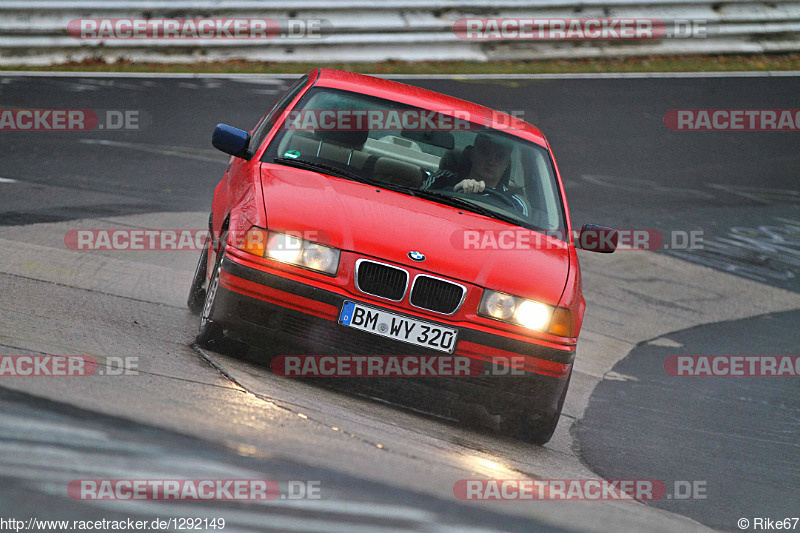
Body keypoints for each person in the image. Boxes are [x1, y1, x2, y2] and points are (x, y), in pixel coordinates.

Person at [420, 133, 529, 216]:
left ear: (506, 164)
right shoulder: (442, 179)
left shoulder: (515, 203)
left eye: (499, 157)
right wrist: (454, 191)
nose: (491, 161)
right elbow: (419, 205)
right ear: (472, 154)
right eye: (485, 152)